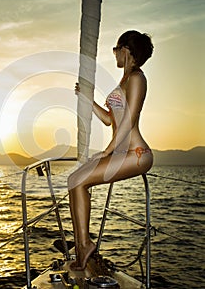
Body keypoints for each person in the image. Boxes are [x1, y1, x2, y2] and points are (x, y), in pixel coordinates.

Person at [68, 30, 154, 270]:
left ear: (125, 50)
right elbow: (110, 120)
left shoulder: (137, 78)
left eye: (116, 49)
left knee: (78, 181)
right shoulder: (124, 81)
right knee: (74, 180)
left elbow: (129, 122)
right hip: (121, 151)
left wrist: (107, 151)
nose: (114, 54)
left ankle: (84, 245)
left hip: (136, 154)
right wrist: (88, 99)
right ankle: (83, 244)